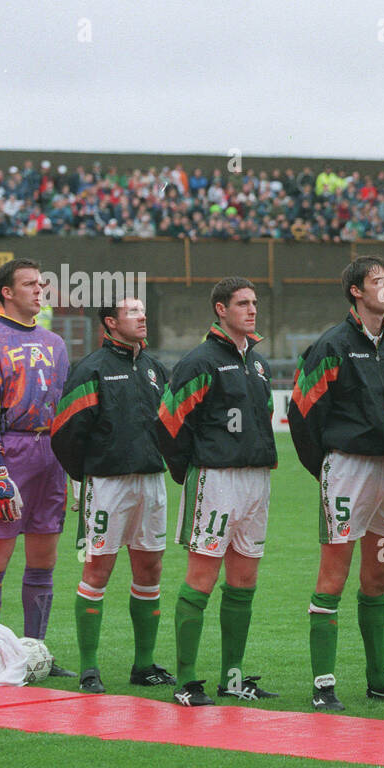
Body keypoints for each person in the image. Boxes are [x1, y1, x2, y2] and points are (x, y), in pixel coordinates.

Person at [288, 255, 384, 711]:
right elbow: (302, 413)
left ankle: (378, 678)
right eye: (379, 281)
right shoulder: (332, 345)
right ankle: (324, 683)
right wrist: (325, 467)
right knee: (333, 576)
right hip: (347, 472)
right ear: (356, 292)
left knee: (378, 576)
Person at [156, 277, 278, 706]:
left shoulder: (257, 363)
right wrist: (188, 469)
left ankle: (232, 677)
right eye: (242, 303)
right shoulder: (200, 361)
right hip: (215, 479)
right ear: (220, 310)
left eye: (255, 303)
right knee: (202, 578)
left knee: (244, 580)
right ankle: (186, 682)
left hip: (257, 480)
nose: (252, 310)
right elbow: (169, 421)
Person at [51, 297, 174, 693]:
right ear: (110, 322)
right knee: (97, 572)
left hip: (152, 484)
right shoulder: (90, 369)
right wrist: (83, 477)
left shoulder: (156, 370)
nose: (142, 317)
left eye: (143, 310)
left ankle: (143, 665)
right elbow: (65, 432)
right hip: (106, 485)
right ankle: (89, 668)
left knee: (150, 570)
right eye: (132, 312)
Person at [0, 259, 74, 676]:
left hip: (52, 453)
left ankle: (35, 652)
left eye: (41, 284)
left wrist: (72, 461)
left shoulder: (55, 343)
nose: (38, 290)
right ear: (7, 292)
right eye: (29, 284)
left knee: (44, 557)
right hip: (11, 452)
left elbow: (64, 406)